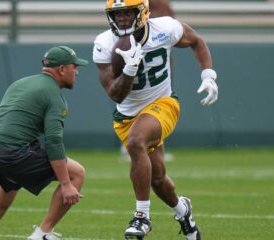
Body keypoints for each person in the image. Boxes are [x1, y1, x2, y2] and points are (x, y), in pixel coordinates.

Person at [93, 0, 218, 239]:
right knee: (158, 179)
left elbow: (196, 41)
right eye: (116, 14)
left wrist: (208, 74)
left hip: (163, 103)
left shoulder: (165, 28)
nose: (121, 18)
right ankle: (184, 212)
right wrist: (129, 70)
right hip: (127, 115)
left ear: (142, 12)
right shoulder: (104, 43)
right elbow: (115, 93)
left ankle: (141, 217)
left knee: (136, 141)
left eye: (127, 12)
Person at [0, 46, 88, 240]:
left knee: (11, 182)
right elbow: (53, 141)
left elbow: (7, 119)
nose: (76, 72)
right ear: (61, 69)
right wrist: (66, 184)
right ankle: (43, 234)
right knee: (77, 173)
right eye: (74, 67)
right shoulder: (54, 95)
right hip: (9, 150)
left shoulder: (21, 83)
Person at [119, 0, 175, 162]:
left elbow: (171, 28)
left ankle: (152, 145)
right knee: (131, 97)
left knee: (158, 104)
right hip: (132, 53)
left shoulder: (162, 7)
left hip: (156, 59)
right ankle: (130, 142)